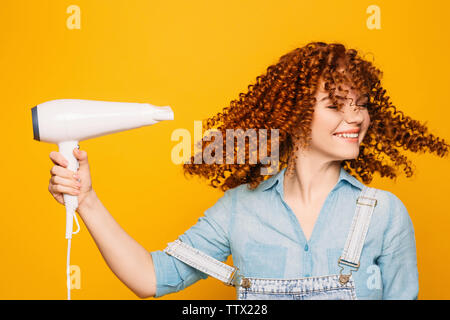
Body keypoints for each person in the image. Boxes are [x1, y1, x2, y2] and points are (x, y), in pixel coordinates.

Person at [48, 42, 449, 299]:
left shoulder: (384, 213)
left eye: (360, 103)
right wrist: (86, 199)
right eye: (335, 105)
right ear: (293, 116)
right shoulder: (239, 210)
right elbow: (151, 277)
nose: (355, 117)